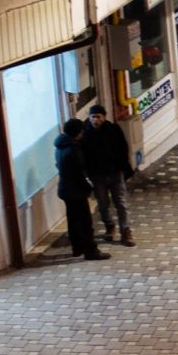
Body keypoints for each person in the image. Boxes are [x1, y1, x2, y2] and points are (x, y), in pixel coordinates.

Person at [54, 118, 106, 261]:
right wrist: (90, 188)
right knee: (85, 222)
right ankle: (91, 251)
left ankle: (77, 248)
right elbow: (80, 174)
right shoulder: (73, 150)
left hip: (65, 189)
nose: (83, 133)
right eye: (81, 130)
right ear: (78, 132)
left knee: (73, 221)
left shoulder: (60, 146)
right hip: (76, 191)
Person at [85, 104, 135, 246]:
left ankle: (125, 231)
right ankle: (109, 225)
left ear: (104, 117)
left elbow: (123, 148)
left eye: (98, 117)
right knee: (103, 204)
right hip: (97, 176)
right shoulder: (86, 134)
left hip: (115, 173)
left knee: (121, 203)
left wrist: (122, 167)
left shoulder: (113, 130)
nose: (95, 120)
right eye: (93, 117)